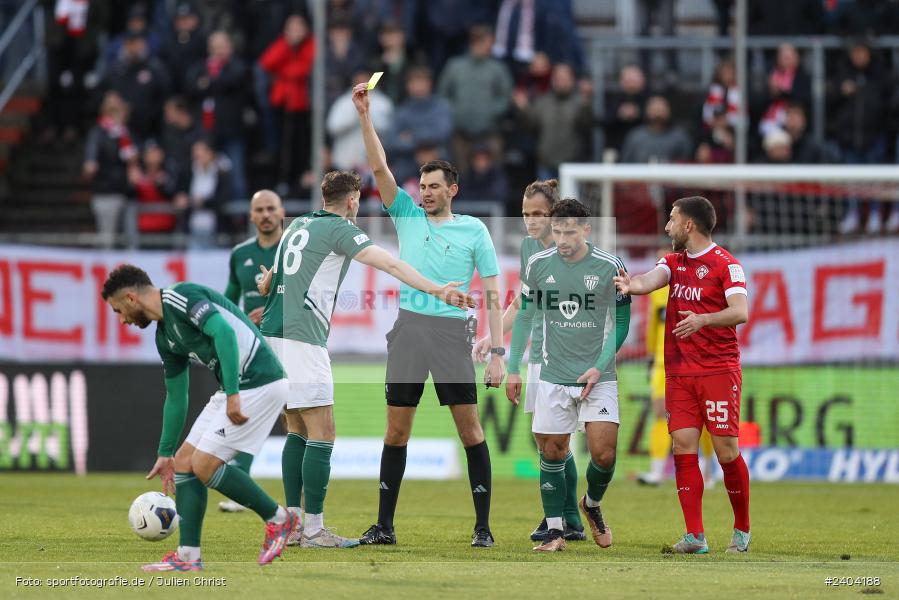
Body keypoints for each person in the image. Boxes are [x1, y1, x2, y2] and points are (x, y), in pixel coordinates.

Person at [257, 170, 475, 548]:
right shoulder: (342, 229)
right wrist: (437, 290)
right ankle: (313, 530)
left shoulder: (296, 226)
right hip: (302, 337)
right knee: (322, 432)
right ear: (353, 200)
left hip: (271, 336)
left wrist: (267, 283)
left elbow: (270, 280)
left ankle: (292, 526)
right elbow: (390, 264)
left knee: (296, 430)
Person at [351, 81, 507, 548]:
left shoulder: (473, 230)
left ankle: (483, 528)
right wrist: (365, 115)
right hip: (409, 330)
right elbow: (378, 164)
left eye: (436, 187)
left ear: (453, 190)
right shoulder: (406, 215)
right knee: (396, 428)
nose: (427, 193)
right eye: (424, 186)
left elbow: (495, 290)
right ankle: (385, 527)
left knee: (469, 427)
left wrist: (498, 352)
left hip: (452, 334)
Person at [101, 265, 298, 571]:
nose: (122, 320)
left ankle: (280, 518)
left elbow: (224, 332)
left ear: (130, 297)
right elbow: (177, 396)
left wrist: (233, 393)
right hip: (234, 388)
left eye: (118, 311)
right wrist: (165, 452)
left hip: (259, 381)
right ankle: (188, 556)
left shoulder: (182, 296)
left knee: (205, 464)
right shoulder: (164, 338)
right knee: (183, 462)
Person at [614, 196, 751, 554]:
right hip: (678, 373)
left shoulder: (727, 266)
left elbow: (740, 311)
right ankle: (695, 536)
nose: (666, 226)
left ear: (689, 225)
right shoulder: (672, 262)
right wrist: (631, 285)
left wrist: (704, 319)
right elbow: (650, 279)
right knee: (683, 445)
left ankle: (742, 530)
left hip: (718, 371)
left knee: (725, 450)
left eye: (672, 220)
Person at [505, 199, 631, 552]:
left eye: (569, 231)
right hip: (552, 374)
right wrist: (513, 367)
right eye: (557, 231)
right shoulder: (538, 264)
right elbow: (526, 317)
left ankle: (590, 504)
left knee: (604, 455)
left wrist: (600, 363)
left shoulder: (609, 266)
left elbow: (621, 323)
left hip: (599, 375)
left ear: (586, 230)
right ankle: (555, 532)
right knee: (552, 451)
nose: (562, 238)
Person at [473, 179, 585, 542]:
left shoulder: (573, 251)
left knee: (559, 440)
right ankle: (568, 519)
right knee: (548, 440)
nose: (531, 221)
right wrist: (494, 339)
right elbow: (522, 303)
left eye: (539, 214)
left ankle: (571, 517)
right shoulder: (529, 250)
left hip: (567, 357)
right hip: (539, 351)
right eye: (525, 214)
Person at [214, 190, 286, 512]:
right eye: (260, 209)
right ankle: (241, 481)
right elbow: (228, 302)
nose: (267, 214)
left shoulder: (294, 250)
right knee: (248, 411)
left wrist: (268, 313)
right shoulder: (239, 254)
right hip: (254, 348)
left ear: (282, 212)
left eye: (271, 208)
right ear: (251, 216)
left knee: (295, 418)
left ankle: (301, 499)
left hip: (291, 341)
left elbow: (313, 297)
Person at [637, 248, 717, 488]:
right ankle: (656, 471)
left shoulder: (699, 285)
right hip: (664, 361)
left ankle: (709, 469)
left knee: (703, 415)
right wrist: (651, 356)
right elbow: (653, 325)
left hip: (695, 359)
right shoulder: (657, 292)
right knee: (661, 412)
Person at [259, 14, 316, 195]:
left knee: (299, 147)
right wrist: (287, 43)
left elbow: (304, 69)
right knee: (280, 147)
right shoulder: (284, 44)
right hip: (282, 104)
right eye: (291, 28)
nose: (295, 32)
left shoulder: (310, 44)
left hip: (301, 105)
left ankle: (296, 186)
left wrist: (283, 71)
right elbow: (267, 62)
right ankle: (280, 183)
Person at [620, 96, 692, 164]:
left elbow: (687, 164)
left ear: (669, 111)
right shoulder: (635, 136)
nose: (658, 114)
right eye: (654, 110)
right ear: (647, 112)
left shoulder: (679, 137)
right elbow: (625, 164)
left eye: (661, 110)